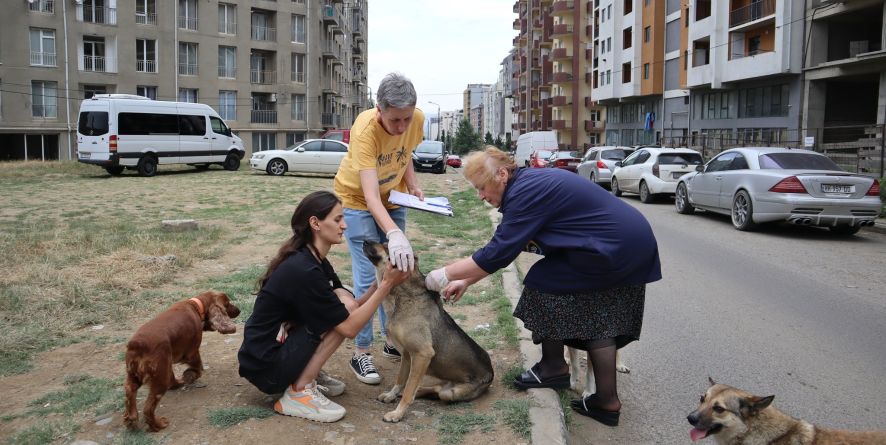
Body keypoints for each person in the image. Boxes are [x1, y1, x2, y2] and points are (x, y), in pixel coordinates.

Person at [424, 146, 661, 427]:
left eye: (482, 187)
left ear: (501, 174)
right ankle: (605, 401)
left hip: (613, 247)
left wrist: (439, 276)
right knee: (600, 320)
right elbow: (507, 249)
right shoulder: (526, 186)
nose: (481, 196)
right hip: (626, 245)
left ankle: (553, 368)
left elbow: (496, 253)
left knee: (543, 282)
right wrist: (466, 279)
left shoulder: (525, 193)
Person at [237, 191, 409, 423]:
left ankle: (306, 372)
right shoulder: (304, 269)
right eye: (338, 219)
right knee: (342, 314)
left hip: (273, 351)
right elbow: (349, 328)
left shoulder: (314, 258)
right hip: (267, 368)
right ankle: (299, 390)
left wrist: (378, 280)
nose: (345, 226)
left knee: (343, 303)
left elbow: (353, 304)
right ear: (315, 223)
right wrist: (387, 285)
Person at [333, 72, 425, 385]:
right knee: (369, 276)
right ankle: (361, 352)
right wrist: (394, 234)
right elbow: (370, 196)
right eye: (395, 120)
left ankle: (392, 340)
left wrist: (412, 183)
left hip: (394, 198)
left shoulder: (416, 119)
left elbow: (406, 151)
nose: (401, 127)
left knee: (398, 270)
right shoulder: (364, 131)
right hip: (358, 199)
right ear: (378, 109)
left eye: (406, 119)